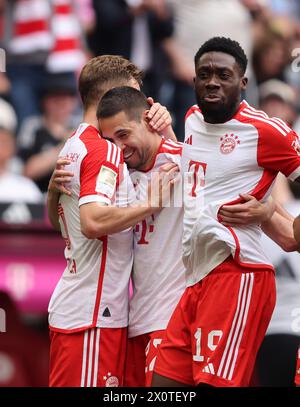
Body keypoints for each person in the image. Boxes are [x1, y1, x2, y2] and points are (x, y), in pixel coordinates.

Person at [152, 36, 300, 387]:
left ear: (243, 82)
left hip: (239, 272)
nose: (213, 81)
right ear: (194, 80)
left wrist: (267, 213)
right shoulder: (190, 119)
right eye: (204, 74)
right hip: (196, 276)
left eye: (223, 74)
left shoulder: (268, 131)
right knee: (163, 384)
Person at [47, 55, 177, 387]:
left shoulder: (73, 146)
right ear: (111, 97)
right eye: (132, 94)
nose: (143, 106)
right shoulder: (104, 150)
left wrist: (51, 195)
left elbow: (63, 221)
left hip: (86, 311)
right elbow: (90, 222)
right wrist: (151, 204)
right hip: (92, 315)